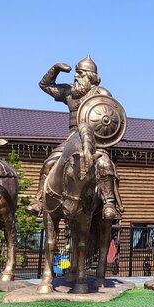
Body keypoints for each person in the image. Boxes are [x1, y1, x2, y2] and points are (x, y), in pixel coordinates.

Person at [26, 56, 122, 219]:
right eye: (76, 73)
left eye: (80, 73)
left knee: (105, 164)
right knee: (49, 163)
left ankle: (109, 204)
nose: (76, 76)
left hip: (96, 140)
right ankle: (39, 200)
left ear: (91, 76)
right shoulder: (70, 92)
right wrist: (55, 69)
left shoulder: (102, 94)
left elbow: (111, 118)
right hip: (72, 138)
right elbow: (45, 85)